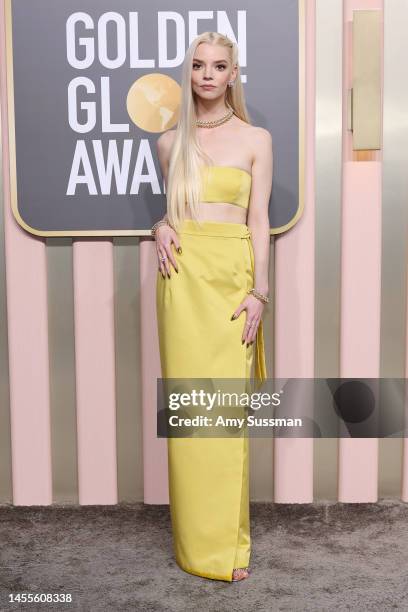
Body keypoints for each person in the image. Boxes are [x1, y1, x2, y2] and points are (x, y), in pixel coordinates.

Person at [152, 31, 273, 582]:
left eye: (218, 66)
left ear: (232, 74)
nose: (206, 75)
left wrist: (259, 293)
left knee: (223, 417)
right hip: (182, 280)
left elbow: (259, 222)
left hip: (231, 280)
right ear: (190, 72)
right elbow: (173, 213)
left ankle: (228, 546)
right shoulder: (168, 143)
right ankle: (195, 546)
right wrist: (158, 226)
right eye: (198, 65)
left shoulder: (256, 139)